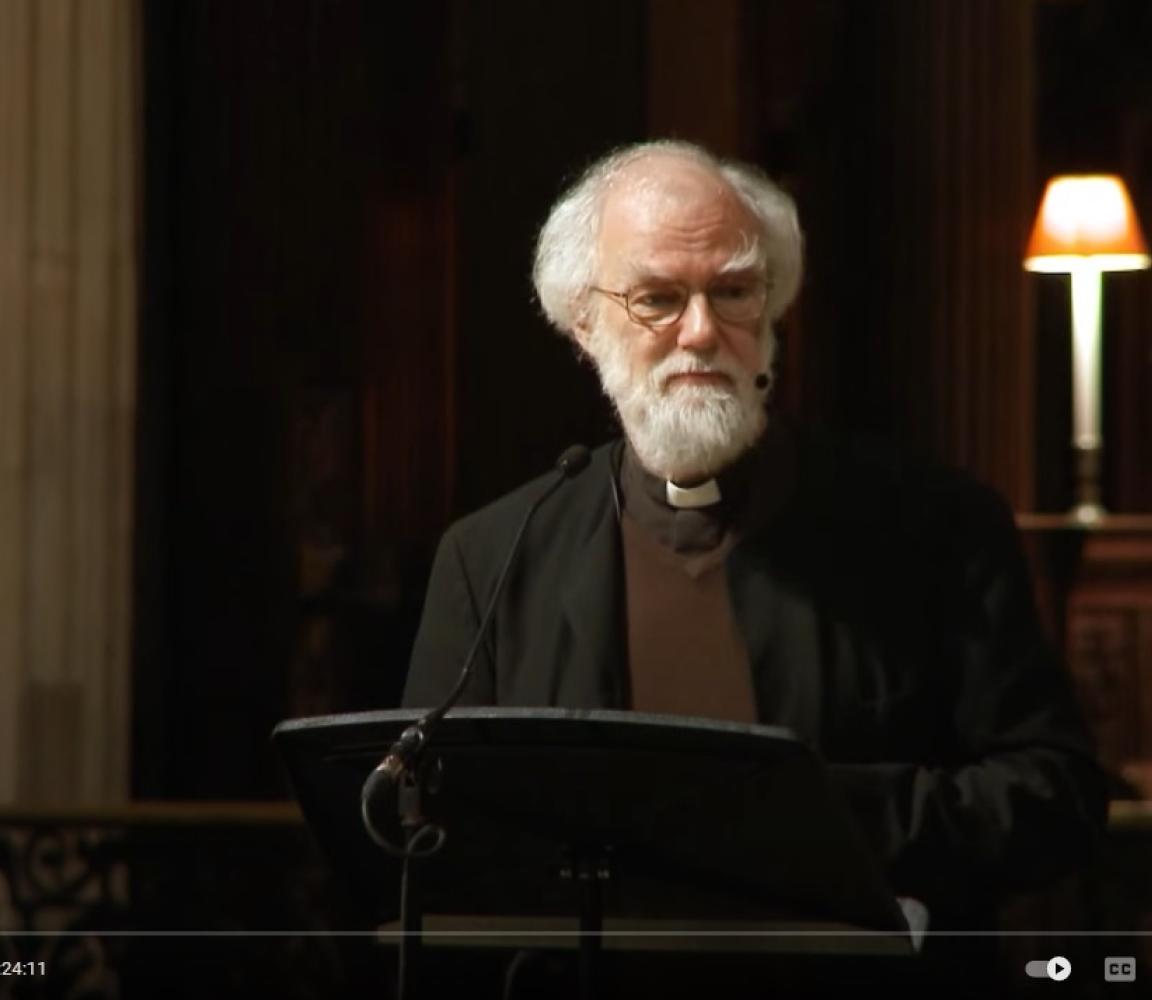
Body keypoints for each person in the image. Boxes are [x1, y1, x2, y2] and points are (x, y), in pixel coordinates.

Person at [403, 140, 1106, 995]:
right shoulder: (494, 556)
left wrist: (810, 817)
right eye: (658, 298)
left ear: (772, 309)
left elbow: (1055, 795)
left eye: (732, 291)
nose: (701, 332)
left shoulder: (933, 526)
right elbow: (433, 837)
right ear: (583, 324)